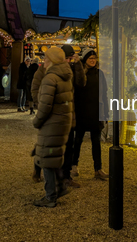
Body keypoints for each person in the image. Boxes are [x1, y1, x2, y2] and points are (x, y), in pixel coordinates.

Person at [32, 47, 73, 207]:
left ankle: (50, 196)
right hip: (62, 121)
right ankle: (60, 186)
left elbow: (45, 105)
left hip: (52, 122)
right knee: (54, 155)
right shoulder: (65, 75)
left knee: (46, 158)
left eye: (47, 58)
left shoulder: (51, 77)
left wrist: (37, 121)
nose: (44, 61)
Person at [72, 50, 109, 180]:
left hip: (96, 112)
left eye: (94, 58)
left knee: (96, 142)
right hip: (82, 111)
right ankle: (74, 165)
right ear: (85, 59)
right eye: (90, 58)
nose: (93, 60)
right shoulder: (80, 72)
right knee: (78, 140)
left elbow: (104, 94)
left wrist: (106, 112)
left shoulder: (100, 74)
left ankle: (98, 169)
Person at [60, 44, 86, 188]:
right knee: (57, 146)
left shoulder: (72, 68)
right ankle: (53, 175)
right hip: (59, 114)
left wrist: (78, 65)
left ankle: (66, 175)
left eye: (70, 58)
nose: (69, 61)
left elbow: (81, 83)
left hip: (70, 113)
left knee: (69, 145)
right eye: (67, 58)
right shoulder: (54, 69)